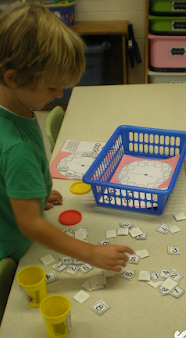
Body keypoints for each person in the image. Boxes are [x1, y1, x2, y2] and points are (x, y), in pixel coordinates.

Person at [0, 5, 134, 268]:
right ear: (13, 78)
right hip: (17, 247)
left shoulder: (15, 106)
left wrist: (31, 195)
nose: (60, 94)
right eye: (52, 86)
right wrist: (90, 253)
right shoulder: (19, 148)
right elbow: (30, 225)